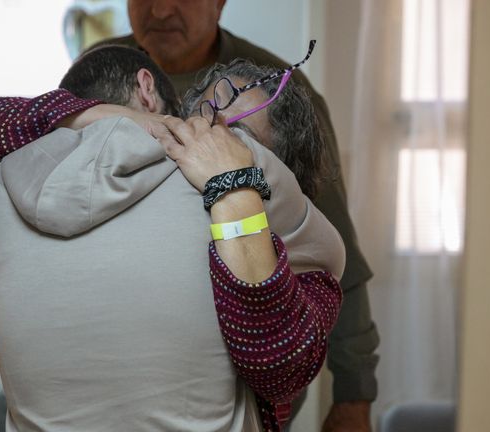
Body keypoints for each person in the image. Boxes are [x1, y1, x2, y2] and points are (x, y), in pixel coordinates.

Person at [0, 45, 344, 431]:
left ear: (284, 172)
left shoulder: (4, 179)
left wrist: (235, 189)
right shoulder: (177, 176)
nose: (208, 139)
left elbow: (280, 368)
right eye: (202, 119)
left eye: (236, 136)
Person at [96, 2, 381, 430]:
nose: (160, 9)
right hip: (121, 374)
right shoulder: (101, 71)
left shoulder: (273, 86)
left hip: (247, 384)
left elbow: (336, 255)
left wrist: (354, 396)